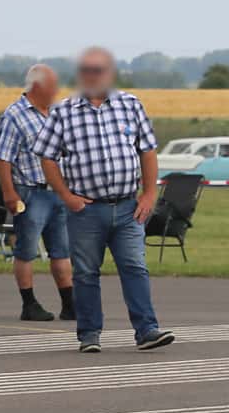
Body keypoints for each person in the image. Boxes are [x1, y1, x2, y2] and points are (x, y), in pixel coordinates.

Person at [32, 47, 174, 354]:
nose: (94, 76)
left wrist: (149, 194)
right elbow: (46, 156)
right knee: (85, 272)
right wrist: (67, 196)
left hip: (127, 206)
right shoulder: (63, 111)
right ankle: (89, 334)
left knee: (135, 267)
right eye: (88, 71)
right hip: (87, 210)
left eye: (100, 70)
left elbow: (147, 150)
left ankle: (147, 330)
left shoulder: (130, 104)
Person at [0, 65, 76, 321]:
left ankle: (69, 304)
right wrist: (10, 193)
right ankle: (29, 304)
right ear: (38, 86)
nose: (56, 91)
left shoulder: (56, 113)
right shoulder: (15, 115)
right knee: (26, 250)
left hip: (58, 192)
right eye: (52, 86)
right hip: (30, 192)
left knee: (61, 250)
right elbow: (4, 158)